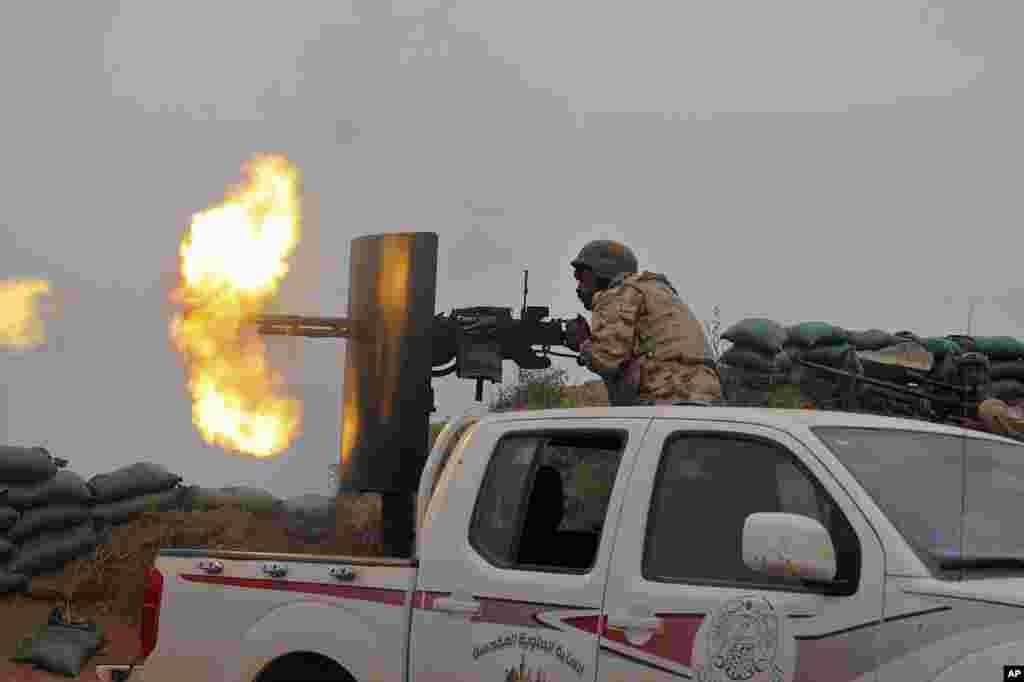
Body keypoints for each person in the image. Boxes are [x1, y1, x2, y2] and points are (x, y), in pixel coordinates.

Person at [565, 239, 722, 406]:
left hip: (671, 395)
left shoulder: (619, 293)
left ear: (603, 272)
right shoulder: (655, 290)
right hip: (702, 396)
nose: (578, 286)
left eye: (581, 276)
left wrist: (583, 343)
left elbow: (606, 358)